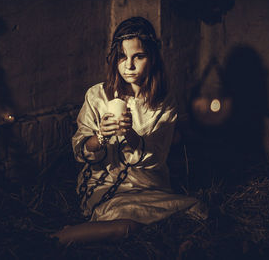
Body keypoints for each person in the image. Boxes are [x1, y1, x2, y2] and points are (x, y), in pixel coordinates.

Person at [51, 16, 208, 244]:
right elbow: (80, 149)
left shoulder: (164, 103)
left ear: (152, 58)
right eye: (123, 57)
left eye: (139, 56)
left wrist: (130, 133)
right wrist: (101, 136)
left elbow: (155, 158)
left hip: (149, 185)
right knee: (126, 223)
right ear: (115, 58)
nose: (129, 65)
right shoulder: (97, 96)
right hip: (105, 185)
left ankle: (104, 230)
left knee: (197, 208)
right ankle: (64, 237)